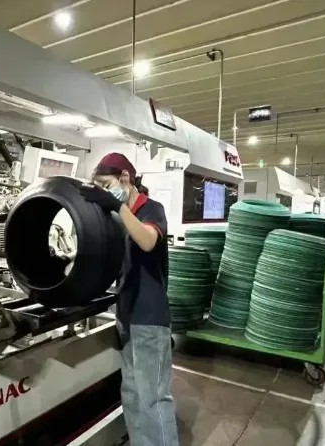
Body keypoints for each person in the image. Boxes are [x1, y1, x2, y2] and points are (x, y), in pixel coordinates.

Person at [80, 153, 179, 446]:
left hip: (149, 319)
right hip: (126, 317)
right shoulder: (118, 217)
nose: (104, 192)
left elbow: (147, 241)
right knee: (133, 397)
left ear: (125, 177)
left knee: (153, 399)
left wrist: (117, 207)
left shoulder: (151, 209)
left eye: (106, 185)